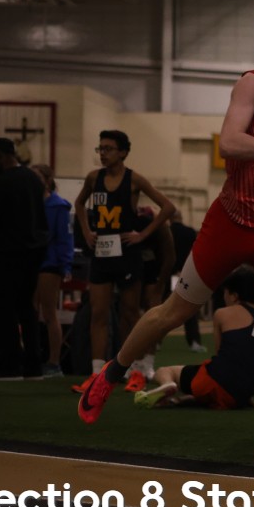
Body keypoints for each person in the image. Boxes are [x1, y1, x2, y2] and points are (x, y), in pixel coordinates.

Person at [75, 2, 254, 469]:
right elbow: (231, 143)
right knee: (173, 312)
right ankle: (110, 373)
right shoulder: (252, 83)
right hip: (231, 224)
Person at [71, 130, 176, 393]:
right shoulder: (93, 178)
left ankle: (135, 370)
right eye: (100, 148)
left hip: (127, 254)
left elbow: (167, 207)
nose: (103, 153)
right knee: (98, 313)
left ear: (123, 152)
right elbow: (79, 204)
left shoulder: (134, 179)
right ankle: (97, 373)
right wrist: (86, 231)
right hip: (101, 253)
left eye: (108, 148)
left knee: (130, 314)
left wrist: (143, 234)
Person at [134, 267, 254, 410]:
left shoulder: (223, 314)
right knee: (214, 387)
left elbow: (220, 354)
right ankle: (182, 400)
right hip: (241, 395)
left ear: (234, 296)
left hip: (215, 382)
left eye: (225, 292)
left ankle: (168, 384)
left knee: (165, 371)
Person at [0, 138, 49, 379]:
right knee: (26, 308)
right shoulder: (33, 180)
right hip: (34, 253)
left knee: (4, 308)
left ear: (0, 155)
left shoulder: (3, 183)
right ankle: (33, 365)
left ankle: (9, 364)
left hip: (9, 253)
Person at [30, 164, 74, 378]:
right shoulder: (30, 203)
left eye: (37, 177)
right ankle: (32, 357)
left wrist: (65, 265)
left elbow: (65, 238)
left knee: (49, 313)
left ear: (47, 180)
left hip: (50, 264)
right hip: (31, 262)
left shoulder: (58, 206)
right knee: (30, 312)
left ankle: (54, 362)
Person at [169, 210, 204, 352]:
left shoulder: (168, 232)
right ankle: (194, 341)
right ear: (181, 217)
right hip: (186, 274)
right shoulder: (190, 232)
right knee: (189, 309)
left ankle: (155, 342)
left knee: (161, 307)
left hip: (169, 274)